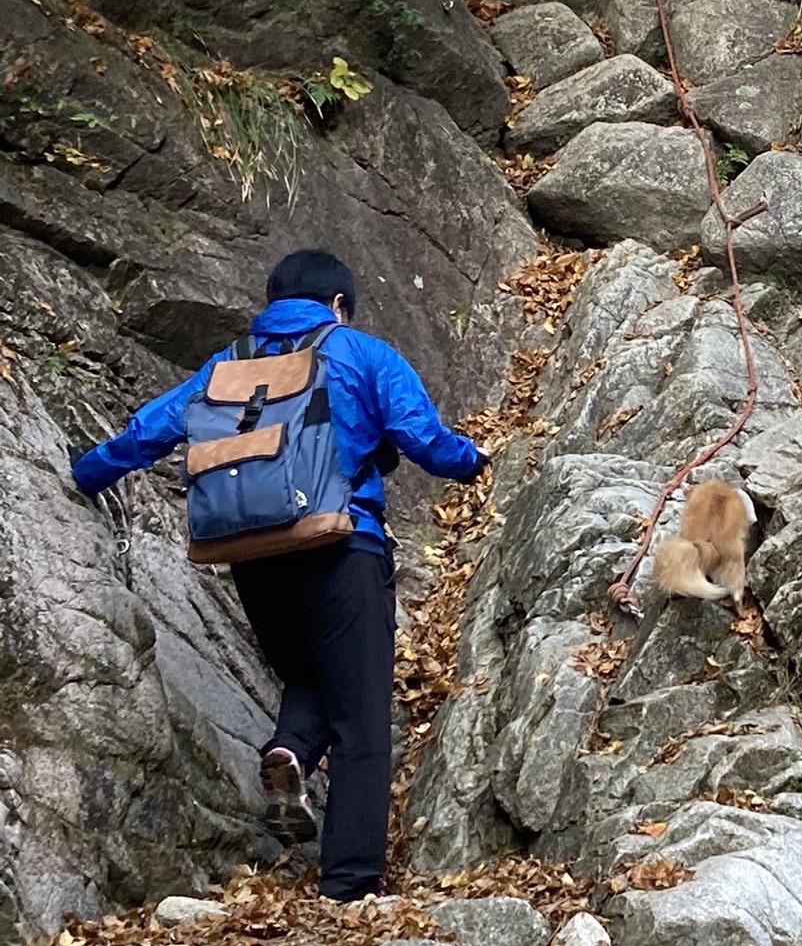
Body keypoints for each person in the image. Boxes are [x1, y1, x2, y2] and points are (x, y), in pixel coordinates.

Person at [70, 250, 488, 902]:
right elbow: (419, 434)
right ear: (338, 303)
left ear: (271, 304)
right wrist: (472, 462)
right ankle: (350, 886)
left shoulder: (229, 363)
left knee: (308, 673)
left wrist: (87, 472)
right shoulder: (360, 352)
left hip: (254, 556)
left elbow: (151, 428)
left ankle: (290, 750)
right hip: (342, 548)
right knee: (361, 721)